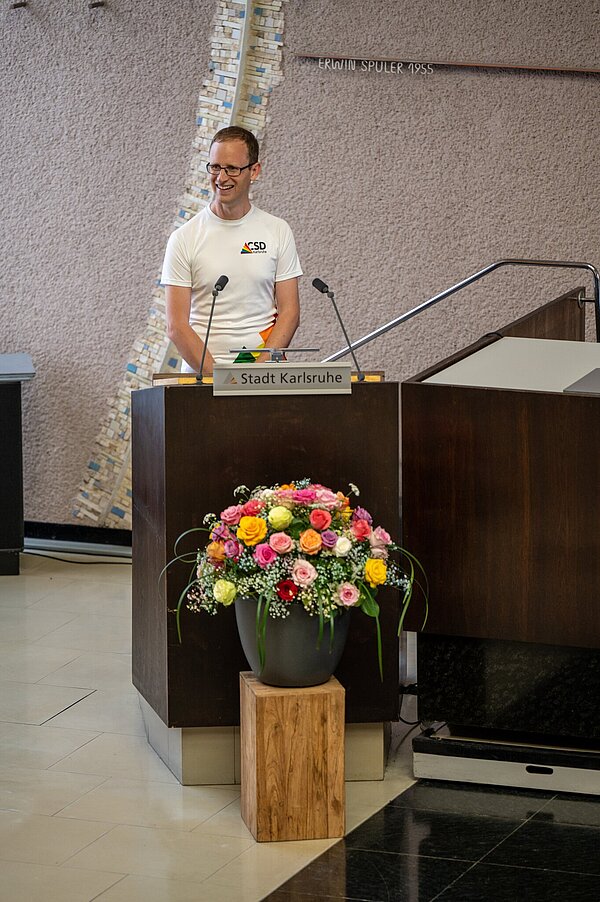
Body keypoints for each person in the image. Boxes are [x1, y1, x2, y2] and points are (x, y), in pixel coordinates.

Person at [161, 126, 302, 375]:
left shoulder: (278, 231)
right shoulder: (183, 238)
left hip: (261, 377)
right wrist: (223, 381)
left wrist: (254, 376)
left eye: (232, 169)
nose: (221, 178)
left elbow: (289, 313)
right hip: (201, 381)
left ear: (254, 171)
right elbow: (176, 326)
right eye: (215, 167)